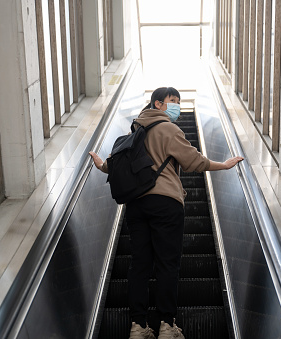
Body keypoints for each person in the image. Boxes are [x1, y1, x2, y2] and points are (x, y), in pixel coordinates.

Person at [89, 87, 243, 339]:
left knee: (139, 264)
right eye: (173, 101)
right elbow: (194, 161)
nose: (177, 106)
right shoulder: (169, 129)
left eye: (179, 102)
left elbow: (118, 166)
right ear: (158, 104)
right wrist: (223, 166)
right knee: (166, 263)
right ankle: (166, 326)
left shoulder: (135, 131)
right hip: (166, 203)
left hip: (137, 205)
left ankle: (138, 327)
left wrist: (102, 165)